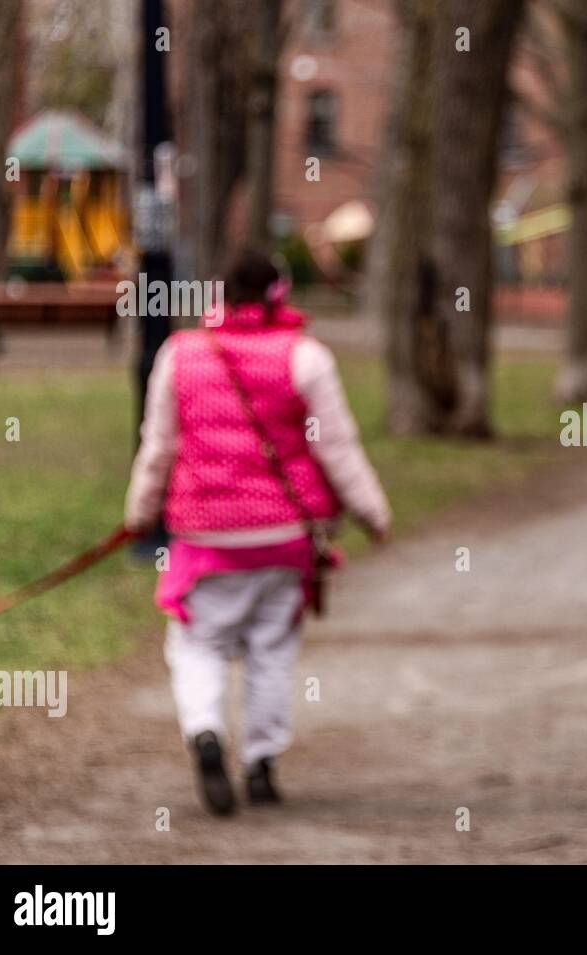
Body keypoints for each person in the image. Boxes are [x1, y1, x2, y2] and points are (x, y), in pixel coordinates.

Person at [124, 248, 390, 816]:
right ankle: (262, 763)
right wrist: (373, 513)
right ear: (280, 295)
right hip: (285, 535)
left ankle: (205, 731)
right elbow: (335, 447)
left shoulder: (180, 355)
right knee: (271, 649)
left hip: (205, 538)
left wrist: (140, 513)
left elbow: (158, 446)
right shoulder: (307, 357)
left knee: (198, 644)